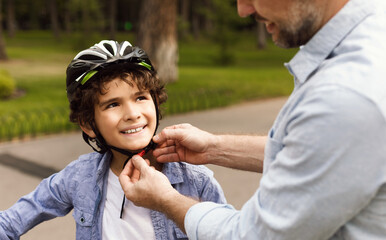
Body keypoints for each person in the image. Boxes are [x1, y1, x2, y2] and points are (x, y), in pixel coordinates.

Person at [119, 0, 386, 239]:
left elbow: (254, 235)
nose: (243, 9)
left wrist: (166, 199)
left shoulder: (345, 96)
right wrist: (215, 147)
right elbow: (320, 154)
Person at [0, 40, 226, 240]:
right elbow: (9, 222)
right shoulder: (79, 178)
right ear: (88, 124)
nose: (132, 114)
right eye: (113, 104)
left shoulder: (196, 181)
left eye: (140, 97)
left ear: (155, 103)